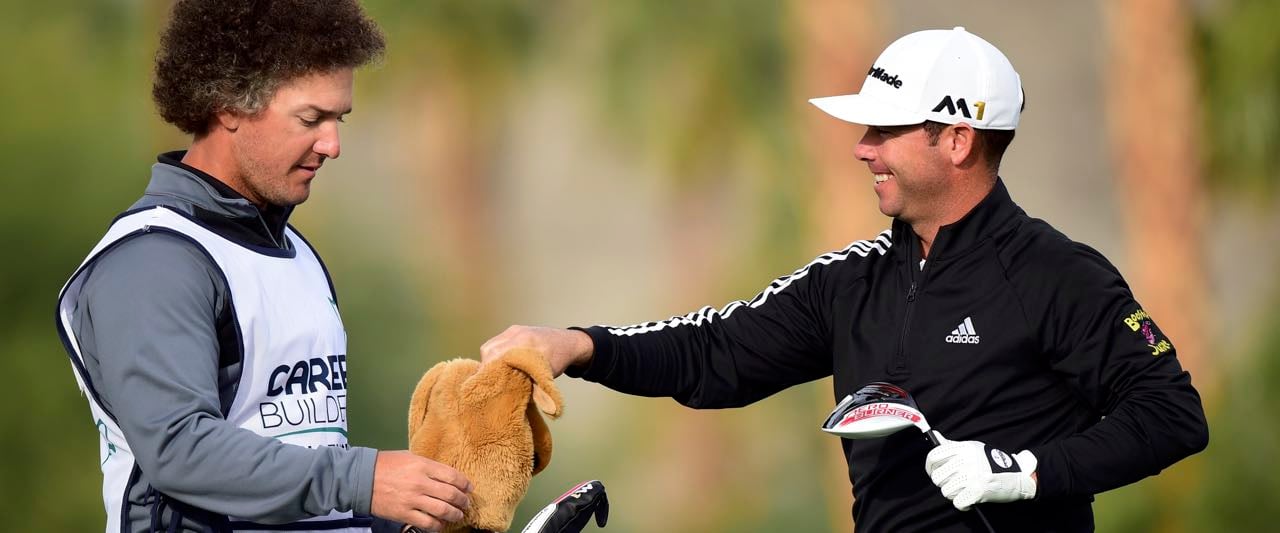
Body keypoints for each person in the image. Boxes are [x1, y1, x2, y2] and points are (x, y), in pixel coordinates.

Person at [480, 27, 1209, 532]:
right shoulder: (850, 282)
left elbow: (1173, 414)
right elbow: (715, 353)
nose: (862, 149)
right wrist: (579, 345)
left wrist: (1026, 470)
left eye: (885, 130)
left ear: (956, 140)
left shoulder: (1057, 275)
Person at [55, 2, 471, 531]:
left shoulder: (297, 252)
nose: (333, 145)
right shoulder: (153, 260)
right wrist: (365, 480)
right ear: (228, 104)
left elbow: (308, 457)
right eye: (311, 118)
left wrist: (405, 510)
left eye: (338, 119)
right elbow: (180, 450)